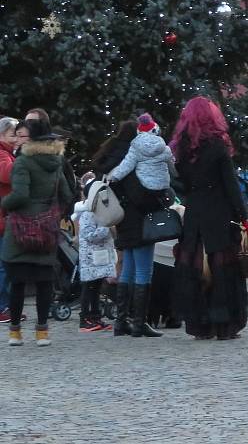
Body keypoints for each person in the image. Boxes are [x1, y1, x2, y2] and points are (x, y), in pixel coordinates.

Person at [170, 97, 248, 340]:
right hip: (218, 212)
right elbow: (231, 185)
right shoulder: (218, 146)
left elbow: (180, 184)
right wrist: (243, 217)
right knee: (222, 269)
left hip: (195, 213)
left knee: (195, 268)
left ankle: (200, 324)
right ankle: (224, 323)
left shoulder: (181, 149)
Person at [93, 119, 165, 338]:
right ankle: (139, 322)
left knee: (127, 269)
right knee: (144, 270)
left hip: (122, 218)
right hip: (139, 219)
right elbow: (140, 194)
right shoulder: (132, 158)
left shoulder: (110, 157)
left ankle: (121, 322)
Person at [3, 119, 72, 346]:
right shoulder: (56, 161)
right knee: (44, 281)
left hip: (21, 229)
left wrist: (5, 203)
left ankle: (15, 332)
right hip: (47, 228)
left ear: (31, 139)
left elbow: (20, 195)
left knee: (17, 281)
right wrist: (52, 213)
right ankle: (42, 332)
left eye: (22, 135)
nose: (19, 139)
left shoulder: (23, 162)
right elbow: (66, 194)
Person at [72, 178, 116, 332]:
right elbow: (89, 234)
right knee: (88, 288)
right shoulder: (87, 213)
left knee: (96, 288)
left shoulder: (97, 211)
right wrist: (106, 227)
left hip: (98, 258)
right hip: (91, 259)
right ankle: (85, 318)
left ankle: (95, 316)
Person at [107, 113, 174, 192]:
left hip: (144, 184)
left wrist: (115, 177)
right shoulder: (164, 147)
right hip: (163, 184)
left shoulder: (135, 147)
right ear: (155, 130)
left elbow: (127, 164)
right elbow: (172, 164)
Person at [0, 117, 19, 324]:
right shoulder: (2, 153)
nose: (15, 138)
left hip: (5, 218)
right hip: (3, 220)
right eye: (13, 134)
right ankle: (2, 307)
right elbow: (6, 175)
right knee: (4, 266)